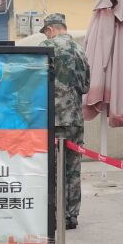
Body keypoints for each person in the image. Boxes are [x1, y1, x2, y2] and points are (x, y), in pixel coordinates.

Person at [39, 13, 91, 230]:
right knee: (73, 169)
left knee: (51, 169)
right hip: (75, 119)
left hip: (52, 119)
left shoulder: (46, 47)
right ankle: (71, 216)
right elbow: (86, 86)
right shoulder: (79, 49)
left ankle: (52, 214)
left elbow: (35, 81)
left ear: (50, 29)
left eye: (46, 32)